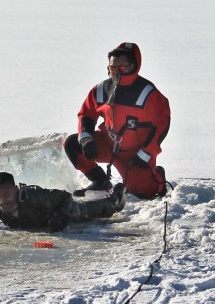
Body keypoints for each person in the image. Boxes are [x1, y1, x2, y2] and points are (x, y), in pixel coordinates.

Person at [63, 42, 170, 199]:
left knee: (145, 193)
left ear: (134, 66)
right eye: (113, 68)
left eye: (122, 68)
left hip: (135, 154)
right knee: (72, 144)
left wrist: (147, 153)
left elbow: (162, 124)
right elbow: (86, 114)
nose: (117, 73)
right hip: (109, 144)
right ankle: (100, 181)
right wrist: (86, 139)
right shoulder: (101, 90)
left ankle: (158, 176)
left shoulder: (148, 93)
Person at [0, 172, 126, 231]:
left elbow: (65, 197)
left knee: (98, 210)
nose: (2, 201)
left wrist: (61, 215)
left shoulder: (33, 197)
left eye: (6, 195)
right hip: (42, 223)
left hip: (60, 210)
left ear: (16, 190)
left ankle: (118, 196)